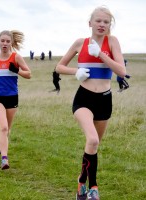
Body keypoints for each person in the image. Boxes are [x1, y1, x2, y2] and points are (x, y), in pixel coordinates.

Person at [55, 6, 126, 200]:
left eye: (106, 22)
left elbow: (121, 71)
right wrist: (75, 71)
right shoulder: (80, 43)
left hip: (104, 100)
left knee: (93, 145)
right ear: (90, 23)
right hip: (84, 99)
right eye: (98, 21)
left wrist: (101, 54)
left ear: (109, 25)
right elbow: (59, 66)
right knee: (93, 140)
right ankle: (92, 187)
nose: (102, 25)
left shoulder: (112, 42)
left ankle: (81, 179)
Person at [0, 30, 31, 170]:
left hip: (12, 97)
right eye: (2, 41)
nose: (5, 44)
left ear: (11, 43)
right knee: (2, 126)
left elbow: (29, 74)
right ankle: (4, 159)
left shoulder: (16, 57)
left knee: (7, 130)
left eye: (8, 41)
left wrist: (17, 71)